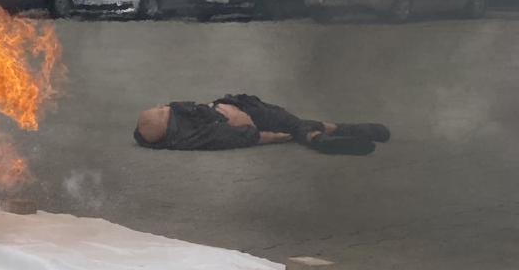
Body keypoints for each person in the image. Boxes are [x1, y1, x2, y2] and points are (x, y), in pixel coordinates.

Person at [134, 95, 391, 155]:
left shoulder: (186, 130)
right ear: (166, 121)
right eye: (159, 111)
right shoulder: (194, 130)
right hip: (252, 114)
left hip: (243, 111)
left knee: (299, 125)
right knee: (295, 126)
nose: (160, 106)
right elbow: (243, 136)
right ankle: (320, 139)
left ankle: (340, 132)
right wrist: (277, 138)